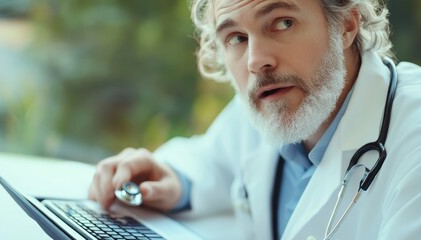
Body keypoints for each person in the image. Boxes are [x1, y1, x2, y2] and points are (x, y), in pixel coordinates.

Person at [88, 0, 421, 239]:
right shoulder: (272, 101)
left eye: (282, 22)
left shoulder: (413, 137)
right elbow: (213, 161)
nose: (256, 61)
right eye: (237, 38)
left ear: (347, 24)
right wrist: (174, 181)